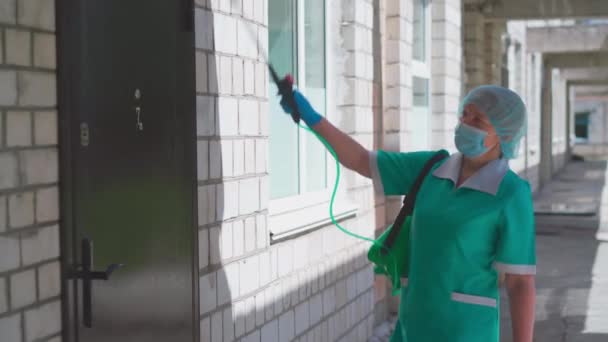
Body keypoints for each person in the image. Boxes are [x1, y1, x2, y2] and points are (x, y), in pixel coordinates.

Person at [279, 85, 536, 342]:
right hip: (413, 322)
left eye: (478, 119)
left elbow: (519, 283)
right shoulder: (431, 168)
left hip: (466, 329)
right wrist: (312, 119)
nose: (465, 123)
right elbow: (361, 160)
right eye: (465, 114)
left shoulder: (511, 193)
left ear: (504, 134)